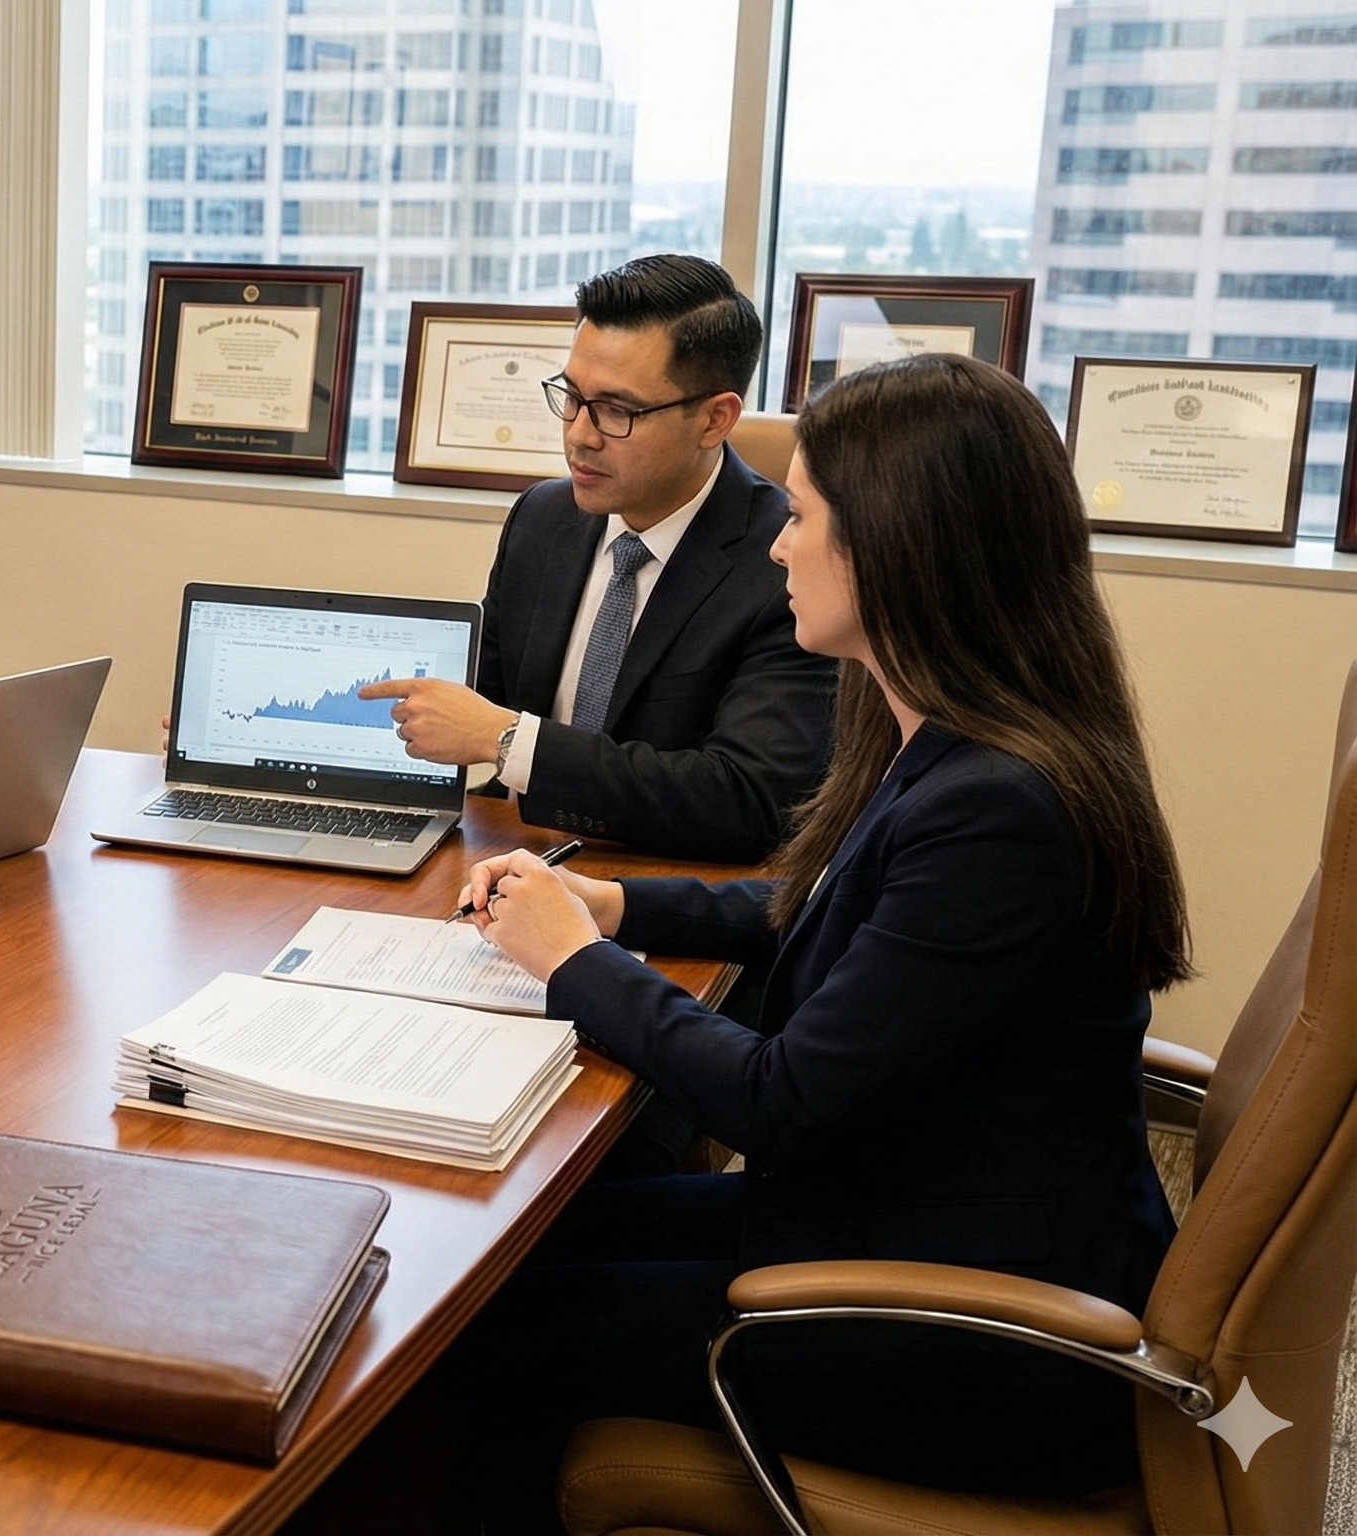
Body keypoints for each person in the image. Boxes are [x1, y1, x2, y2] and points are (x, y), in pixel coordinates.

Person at [438, 353, 1188, 1524]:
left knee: (466, 1339)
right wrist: (621, 908)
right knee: (498, 1259)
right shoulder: (960, 744)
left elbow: (776, 1101)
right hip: (902, 1213)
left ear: (901, 548)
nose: (777, 547)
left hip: (961, 1330)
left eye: (800, 518)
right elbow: (837, 902)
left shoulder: (997, 805)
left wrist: (570, 963)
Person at [358, 255, 832, 863]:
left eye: (617, 411)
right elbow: (479, 697)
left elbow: (752, 800)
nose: (580, 434)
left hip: (664, 886)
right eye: (572, 397)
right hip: (515, 865)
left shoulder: (783, 563)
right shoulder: (543, 518)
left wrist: (508, 741)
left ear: (715, 419)